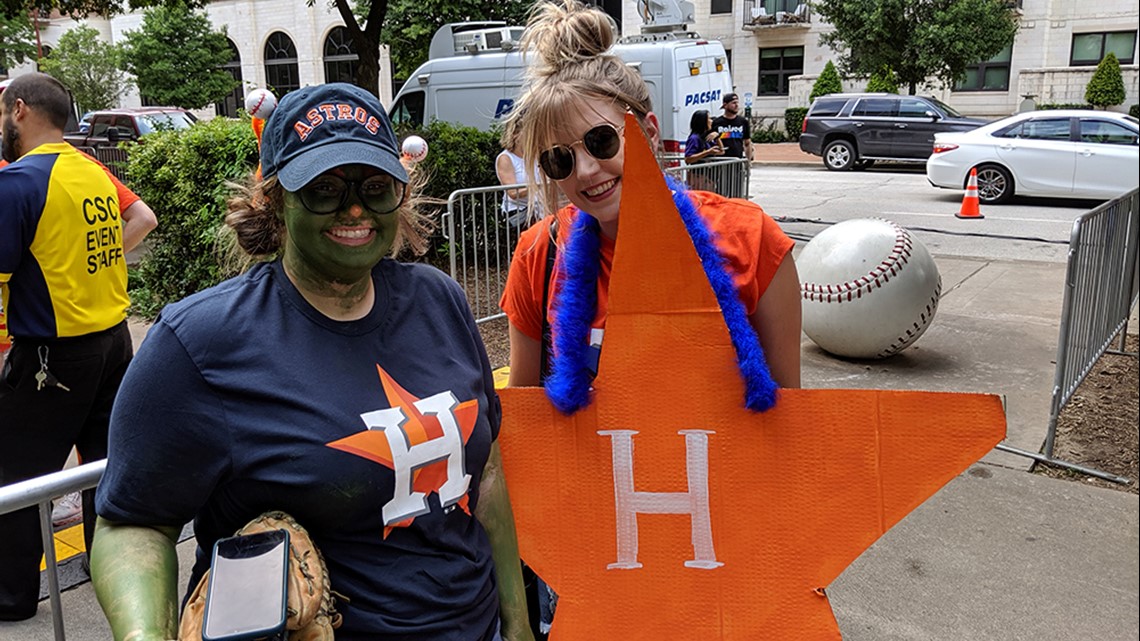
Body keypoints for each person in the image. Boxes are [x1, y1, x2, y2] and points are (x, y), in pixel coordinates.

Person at [90, 82, 535, 641]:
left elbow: (487, 472)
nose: (354, 208)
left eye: (375, 188)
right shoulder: (199, 342)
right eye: (323, 189)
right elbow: (132, 523)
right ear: (274, 199)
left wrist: (518, 627)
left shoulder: (438, 299)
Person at [497, 0, 801, 635]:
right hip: (594, 545)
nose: (585, 170)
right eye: (557, 160)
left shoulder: (749, 239)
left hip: (721, 535)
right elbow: (527, 425)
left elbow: (789, 419)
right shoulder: (539, 256)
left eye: (602, 141)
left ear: (647, 127)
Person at [0, 72, 139, 621]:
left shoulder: (21, 182)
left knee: (17, 478)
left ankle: (10, 596)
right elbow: (135, 223)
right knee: (101, 473)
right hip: (113, 344)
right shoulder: (92, 172)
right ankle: (112, 578)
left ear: (19, 111)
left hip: (50, 357)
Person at [496, 121, 536, 230]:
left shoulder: (535, 155)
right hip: (519, 214)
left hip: (539, 211)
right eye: (528, 132)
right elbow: (513, 193)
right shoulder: (505, 158)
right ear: (515, 134)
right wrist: (537, 187)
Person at [712, 92, 753, 161]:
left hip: (737, 161)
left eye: (737, 103)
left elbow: (747, 143)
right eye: (733, 103)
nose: (737, 105)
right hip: (720, 162)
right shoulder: (716, 122)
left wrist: (748, 161)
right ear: (725, 105)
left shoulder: (743, 121)